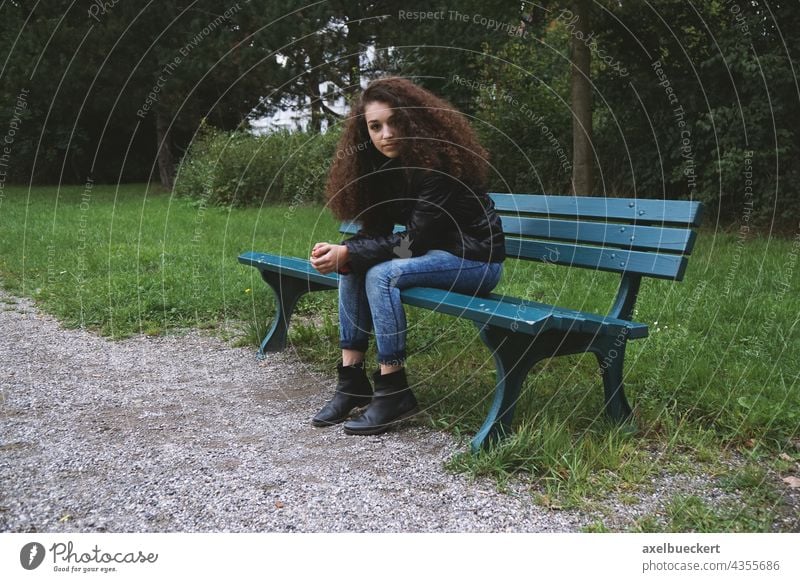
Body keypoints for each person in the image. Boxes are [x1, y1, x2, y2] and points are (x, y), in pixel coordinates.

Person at [309, 76, 505, 435]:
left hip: (476, 261)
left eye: (395, 121)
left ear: (414, 119)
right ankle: (351, 379)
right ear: (364, 132)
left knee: (379, 274)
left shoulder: (439, 165)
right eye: (375, 126)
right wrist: (340, 253)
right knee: (354, 266)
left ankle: (394, 387)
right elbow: (380, 233)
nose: (387, 134)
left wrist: (351, 251)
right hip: (435, 253)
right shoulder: (383, 168)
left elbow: (412, 243)